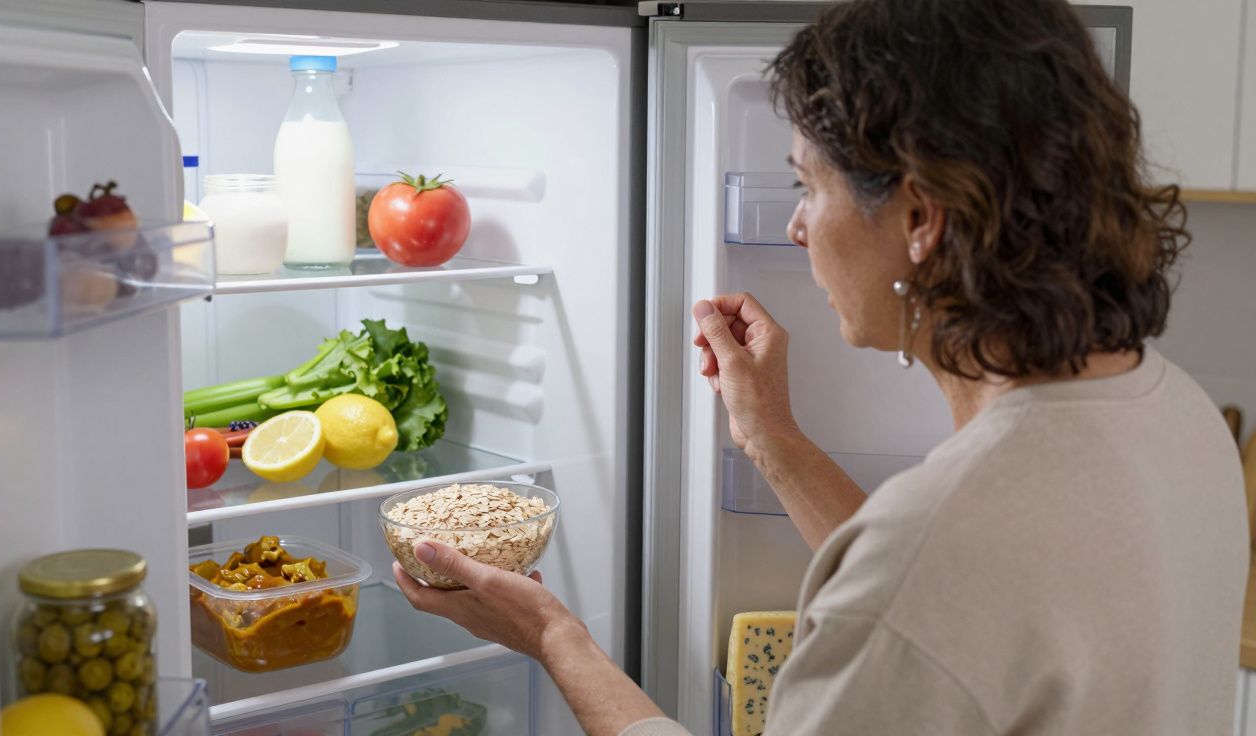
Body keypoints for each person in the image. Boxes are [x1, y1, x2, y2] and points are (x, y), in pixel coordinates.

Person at [392, 0, 1249, 733]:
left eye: (806, 184)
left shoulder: (935, 542)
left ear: (920, 215)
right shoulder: (1178, 414)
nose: (797, 228)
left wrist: (555, 639)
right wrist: (769, 437)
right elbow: (942, 607)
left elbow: (918, 583)